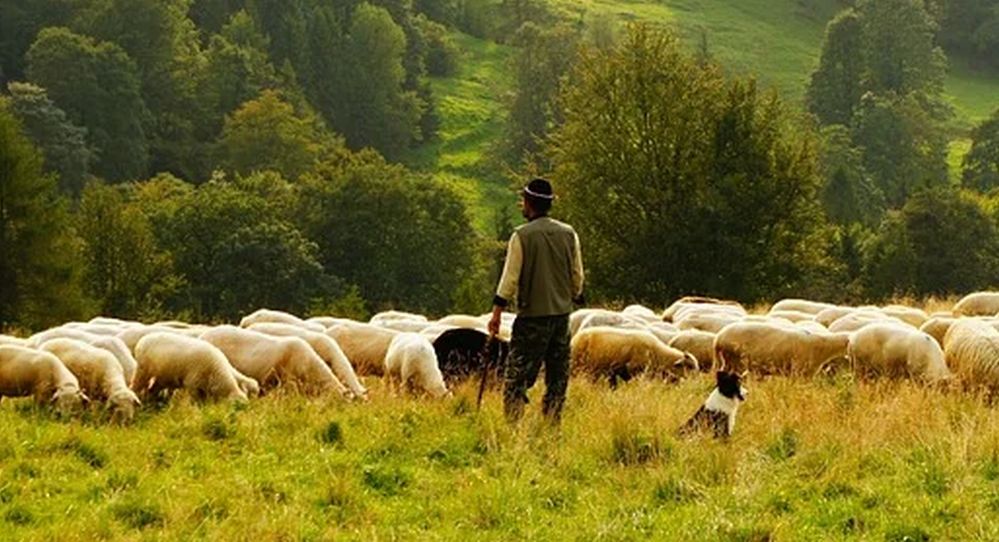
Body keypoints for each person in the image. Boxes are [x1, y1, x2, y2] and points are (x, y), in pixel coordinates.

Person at [488, 178, 584, 424]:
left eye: (523, 200)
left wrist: (497, 312)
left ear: (529, 203)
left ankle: (513, 427)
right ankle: (552, 426)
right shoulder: (568, 233)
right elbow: (577, 275)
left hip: (532, 319)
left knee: (517, 378)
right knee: (557, 378)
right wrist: (571, 296)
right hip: (562, 317)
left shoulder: (521, 236)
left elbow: (509, 279)